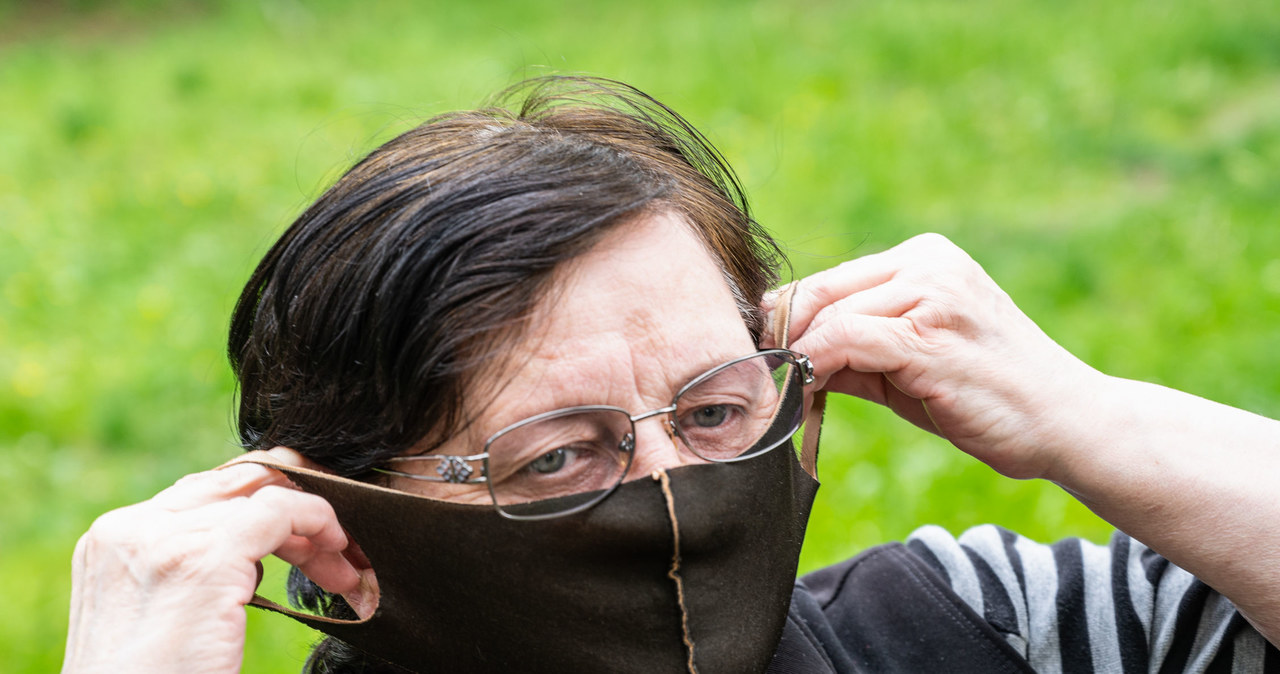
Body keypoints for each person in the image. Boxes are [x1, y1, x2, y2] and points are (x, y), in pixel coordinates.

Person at [62, 77, 1280, 673]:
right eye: (557, 454)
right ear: (346, 524)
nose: (673, 487)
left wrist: (1087, 417)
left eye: (712, 408)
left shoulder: (972, 626)